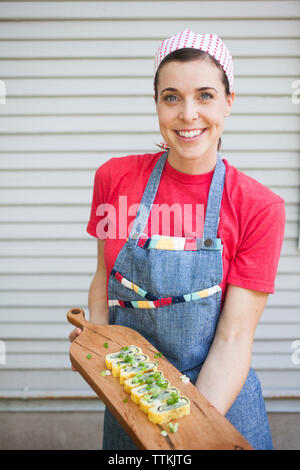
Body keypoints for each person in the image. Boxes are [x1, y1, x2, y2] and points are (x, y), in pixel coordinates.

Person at [69, 30, 285, 450]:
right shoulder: (113, 179)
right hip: (131, 402)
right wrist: (95, 344)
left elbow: (233, 338)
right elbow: (103, 276)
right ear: (156, 104)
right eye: (172, 97)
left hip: (216, 410)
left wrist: (184, 435)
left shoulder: (259, 206)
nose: (188, 114)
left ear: (229, 102)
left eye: (205, 95)